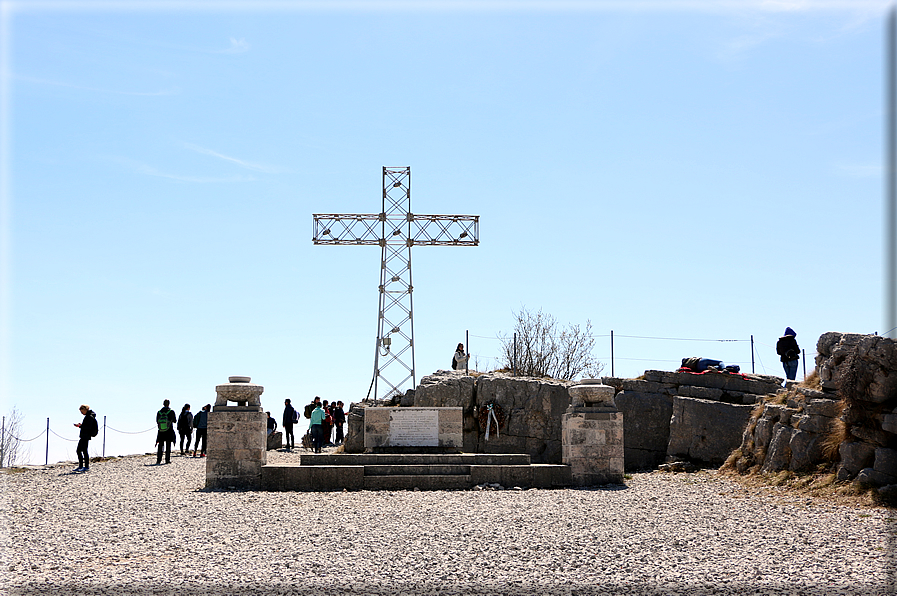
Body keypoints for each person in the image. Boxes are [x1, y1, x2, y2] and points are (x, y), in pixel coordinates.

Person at [73, 404, 98, 472]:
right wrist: (81, 425)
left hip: (86, 436)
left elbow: (88, 427)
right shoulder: (88, 416)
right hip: (84, 436)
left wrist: (80, 426)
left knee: (83, 451)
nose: (81, 413)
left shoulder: (89, 417)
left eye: (82, 411)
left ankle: (86, 466)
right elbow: (86, 425)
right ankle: (81, 466)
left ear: (85, 409)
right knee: (79, 450)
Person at [155, 399, 177, 465]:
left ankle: (158, 460)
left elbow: (157, 421)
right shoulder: (171, 411)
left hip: (161, 431)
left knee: (160, 445)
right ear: (168, 404)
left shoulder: (159, 412)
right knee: (168, 445)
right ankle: (167, 460)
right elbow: (175, 421)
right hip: (169, 430)